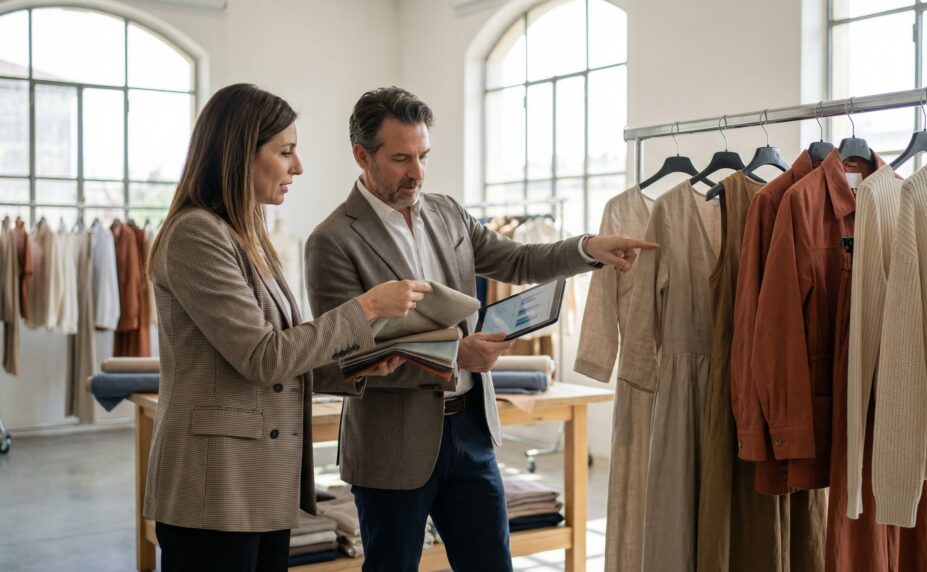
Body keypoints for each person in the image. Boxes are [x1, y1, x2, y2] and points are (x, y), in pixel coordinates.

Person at [305, 86, 656, 571]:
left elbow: (517, 259)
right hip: (391, 443)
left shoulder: (447, 212)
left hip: (471, 430)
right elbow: (344, 360)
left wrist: (587, 248)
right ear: (362, 156)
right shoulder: (333, 240)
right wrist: (455, 357)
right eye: (402, 158)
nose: (417, 173)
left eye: (424, 155)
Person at [142, 83, 429, 572]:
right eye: (286, 152)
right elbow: (262, 357)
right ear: (238, 154)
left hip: (257, 486)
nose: (298, 167)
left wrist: (359, 368)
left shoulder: (246, 233)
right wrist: (367, 309)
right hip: (215, 490)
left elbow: (278, 357)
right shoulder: (196, 235)